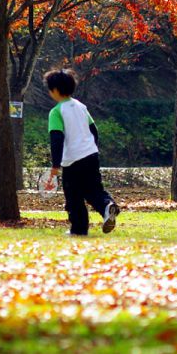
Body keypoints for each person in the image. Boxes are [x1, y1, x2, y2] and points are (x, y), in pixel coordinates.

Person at [46, 68, 119, 236]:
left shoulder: (56, 112)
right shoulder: (81, 106)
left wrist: (55, 165)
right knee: (94, 190)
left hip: (72, 160)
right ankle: (108, 206)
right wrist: (91, 148)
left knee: (74, 197)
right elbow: (94, 130)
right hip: (91, 155)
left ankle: (78, 229)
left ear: (55, 90)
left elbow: (56, 139)